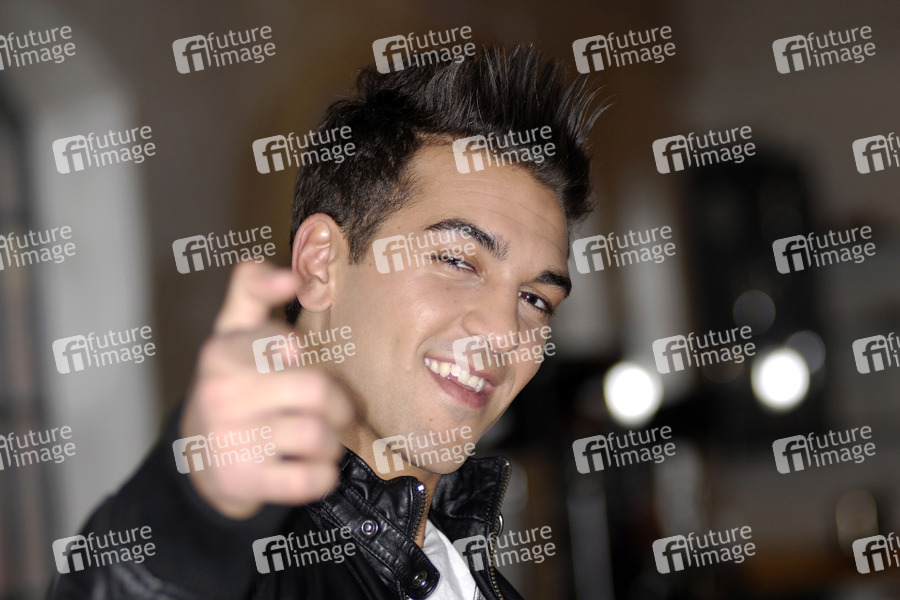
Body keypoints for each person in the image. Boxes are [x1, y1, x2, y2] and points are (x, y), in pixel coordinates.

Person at [48, 43, 602, 599]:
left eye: (535, 299)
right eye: (458, 261)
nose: (504, 333)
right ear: (321, 264)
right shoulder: (249, 572)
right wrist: (196, 515)